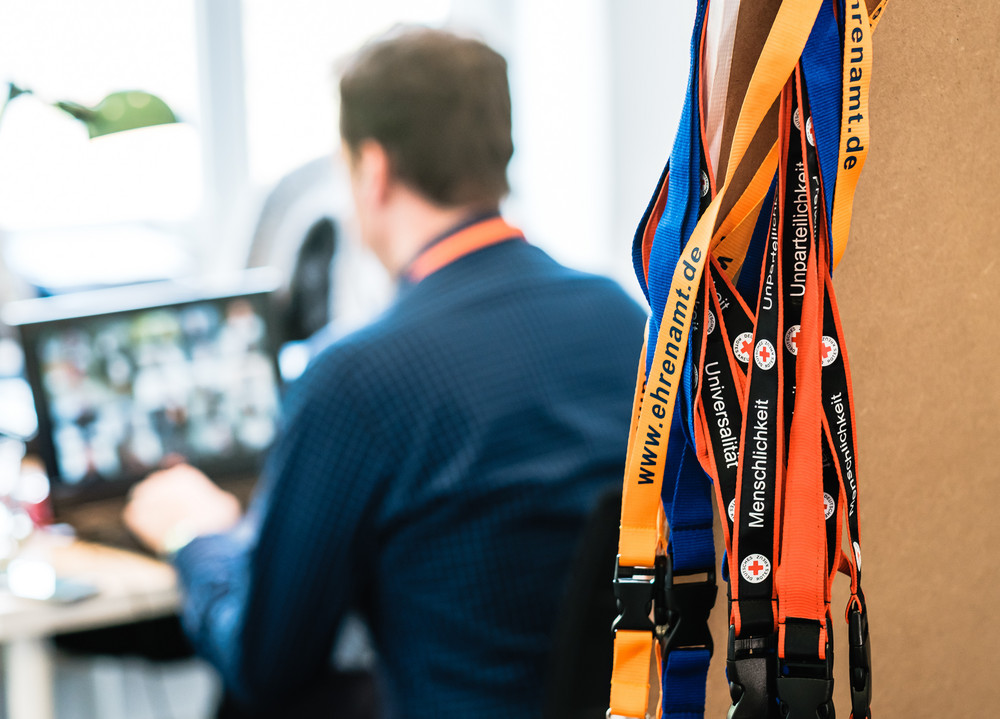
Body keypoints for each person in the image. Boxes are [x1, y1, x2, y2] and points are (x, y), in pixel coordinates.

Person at [124, 27, 646, 719]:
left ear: (372, 169)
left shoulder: (357, 377)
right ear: (500, 153)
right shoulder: (624, 318)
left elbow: (266, 661)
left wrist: (199, 534)